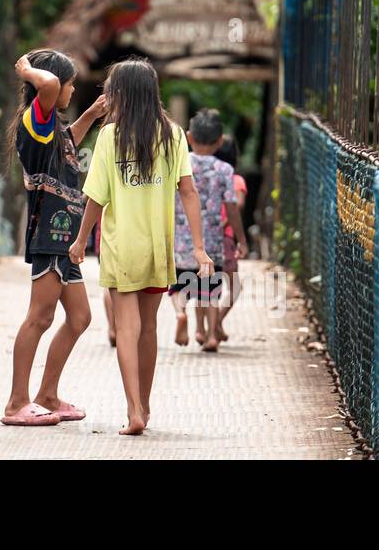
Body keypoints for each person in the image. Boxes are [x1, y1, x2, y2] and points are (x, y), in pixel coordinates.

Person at [69, 58, 211, 436]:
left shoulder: (110, 136)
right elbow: (189, 191)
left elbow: (96, 197)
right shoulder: (173, 135)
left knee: (126, 329)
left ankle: (132, 408)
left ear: (121, 95)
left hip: (120, 247)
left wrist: (82, 239)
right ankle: (144, 407)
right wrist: (198, 248)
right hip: (157, 247)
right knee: (148, 328)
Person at [1, 49, 107, 426]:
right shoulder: (36, 119)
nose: (72, 88)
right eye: (69, 82)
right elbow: (45, 83)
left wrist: (92, 115)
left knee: (79, 317)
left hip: (65, 240)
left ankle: (47, 393)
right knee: (40, 317)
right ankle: (17, 402)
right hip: (48, 235)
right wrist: (28, 70)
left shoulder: (54, 130)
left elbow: (68, 145)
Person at [169, 109, 246, 352]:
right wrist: (241, 239)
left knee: (178, 287)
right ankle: (212, 336)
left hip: (181, 241)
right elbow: (232, 208)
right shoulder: (224, 170)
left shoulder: (178, 162)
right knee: (210, 290)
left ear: (189, 137)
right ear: (220, 141)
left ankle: (181, 314)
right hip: (210, 242)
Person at [213, 136, 249, 342]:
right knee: (235, 287)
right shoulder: (236, 180)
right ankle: (217, 321)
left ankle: (207, 328)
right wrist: (227, 224)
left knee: (207, 286)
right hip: (225, 239)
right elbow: (238, 203)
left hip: (207, 238)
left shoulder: (208, 177)